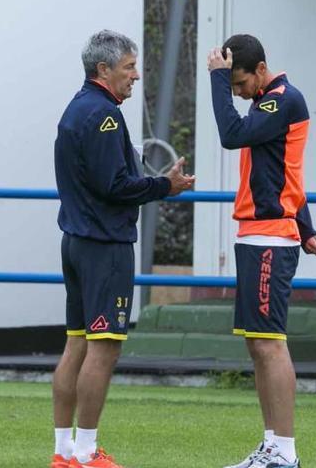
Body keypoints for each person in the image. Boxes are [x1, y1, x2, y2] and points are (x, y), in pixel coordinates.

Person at [51, 30, 195, 468]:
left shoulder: (76, 109)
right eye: (130, 67)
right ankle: (87, 453)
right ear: (104, 70)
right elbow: (115, 185)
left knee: (76, 344)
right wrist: (164, 186)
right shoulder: (104, 116)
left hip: (75, 242)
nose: (136, 76)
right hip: (104, 247)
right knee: (104, 346)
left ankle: (63, 452)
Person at [207, 34, 316, 468]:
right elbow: (283, 172)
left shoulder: (281, 100)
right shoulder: (266, 102)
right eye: (232, 87)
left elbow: (231, 135)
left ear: (260, 70)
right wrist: (308, 226)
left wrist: (217, 80)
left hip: (271, 237)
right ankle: (272, 446)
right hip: (259, 233)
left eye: (240, 84)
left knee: (271, 344)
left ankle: (286, 453)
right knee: (258, 345)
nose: (238, 93)